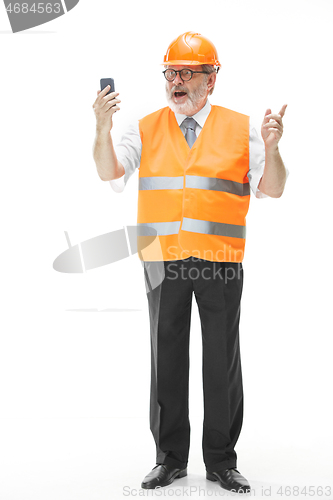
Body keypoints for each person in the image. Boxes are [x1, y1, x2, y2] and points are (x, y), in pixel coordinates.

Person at [92, 31, 288, 494]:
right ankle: (169, 459)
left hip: (219, 261)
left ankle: (221, 461)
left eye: (187, 73)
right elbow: (109, 172)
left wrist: (274, 148)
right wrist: (101, 129)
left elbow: (273, 188)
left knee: (221, 360)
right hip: (162, 260)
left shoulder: (243, 129)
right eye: (170, 73)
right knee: (167, 357)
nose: (176, 82)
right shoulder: (143, 125)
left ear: (210, 80)